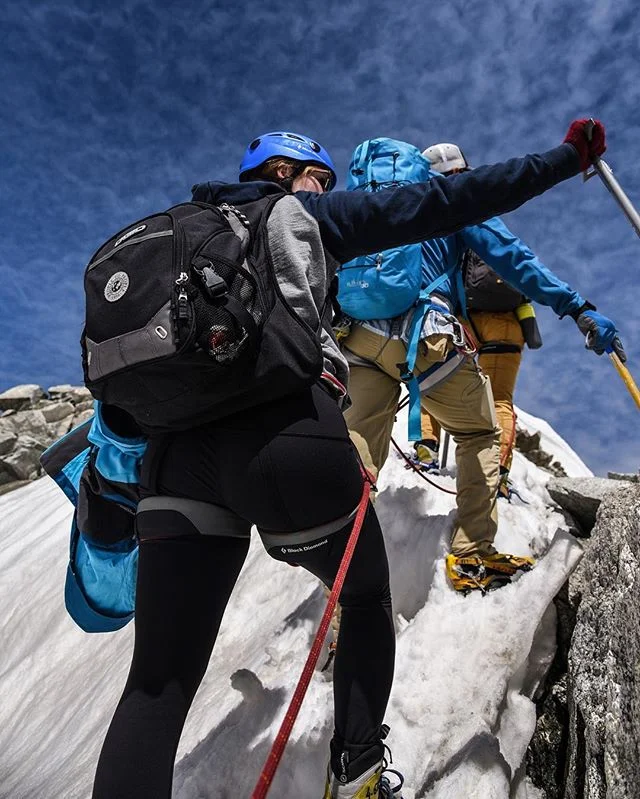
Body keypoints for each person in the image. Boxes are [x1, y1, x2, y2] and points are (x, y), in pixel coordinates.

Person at [91, 122, 611, 799]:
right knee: (367, 593)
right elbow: (455, 202)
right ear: (283, 172)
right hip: (283, 440)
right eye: (319, 175)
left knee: (155, 685)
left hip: (174, 467)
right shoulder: (299, 216)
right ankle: (359, 769)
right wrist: (566, 158)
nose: (327, 186)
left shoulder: (174, 231)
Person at [338, 131, 625, 596]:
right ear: (460, 173)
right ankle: (472, 552)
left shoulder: (368, 204)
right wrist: (577, 307)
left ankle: (342, 586)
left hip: (360, 340)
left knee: (357, 461)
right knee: (479, 433)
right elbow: (516, 260)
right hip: (426, 336)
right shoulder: (454, 201)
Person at [416, 141, 546, 500]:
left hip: (465, 321)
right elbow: (521, 274)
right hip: (507, 325)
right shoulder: (488, 222)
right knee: (500, 400)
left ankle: (426, 445)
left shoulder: (442, 228)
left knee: (437, 381)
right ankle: (497, 472)